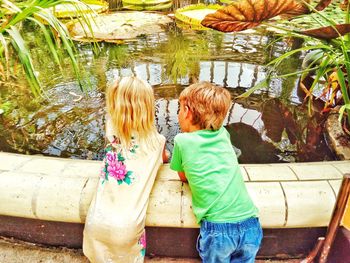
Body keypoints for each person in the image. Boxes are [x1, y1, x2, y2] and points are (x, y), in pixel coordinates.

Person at [170, 81, 262, 263]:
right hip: (251, 224)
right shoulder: (223, 135)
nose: (178, 114)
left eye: (179, 109)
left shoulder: (182, 141)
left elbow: (183, 176)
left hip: (218, 230)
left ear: (187, 112)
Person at [83, 76, 168, 263]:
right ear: (148, 107)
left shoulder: (111, 130)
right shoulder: (157, 142)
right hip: (127, 227)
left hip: (96, 221)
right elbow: (164, 158)